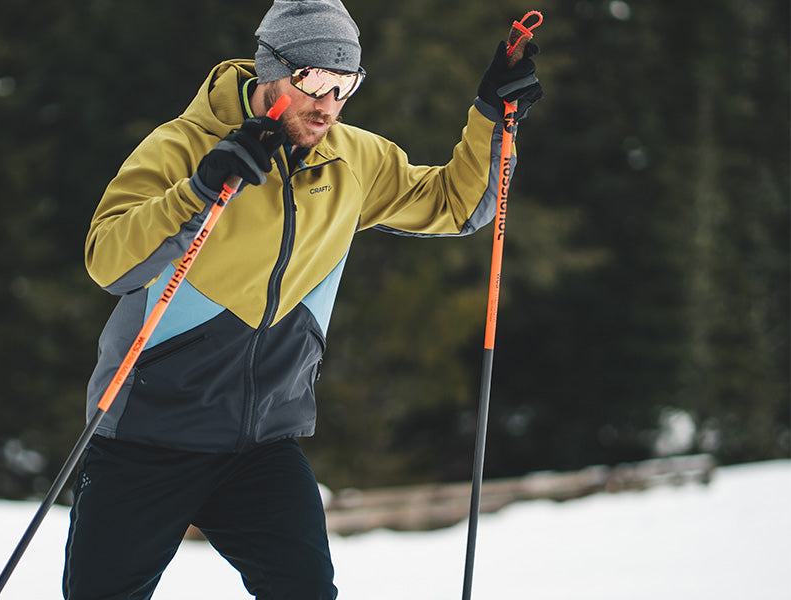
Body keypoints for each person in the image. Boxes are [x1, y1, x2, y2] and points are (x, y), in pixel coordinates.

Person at [66, 0, 542, 598]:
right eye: (313, 80)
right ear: (271, 70)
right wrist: (198, 190)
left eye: (345, 85)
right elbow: (108, 261)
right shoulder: (183, 145)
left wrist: (493, 118)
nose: (327, 103)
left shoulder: (354, 158)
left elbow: (459, 204)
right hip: (148, 433)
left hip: (262, 442)